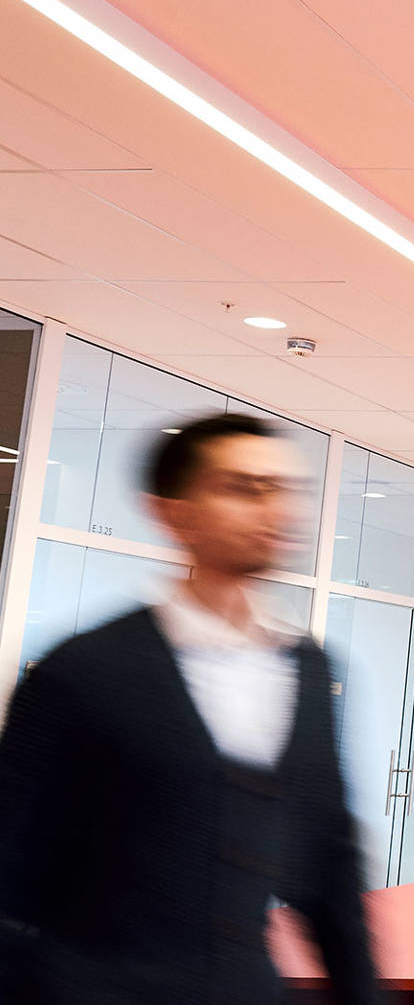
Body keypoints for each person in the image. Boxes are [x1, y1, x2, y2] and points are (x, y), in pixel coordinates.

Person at [0, 413, 377, 1005]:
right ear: (172, 512)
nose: (273, 509)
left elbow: (328, 861)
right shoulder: (83, 672)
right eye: (243, 488)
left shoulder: (308, 669)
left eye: (282, 489)